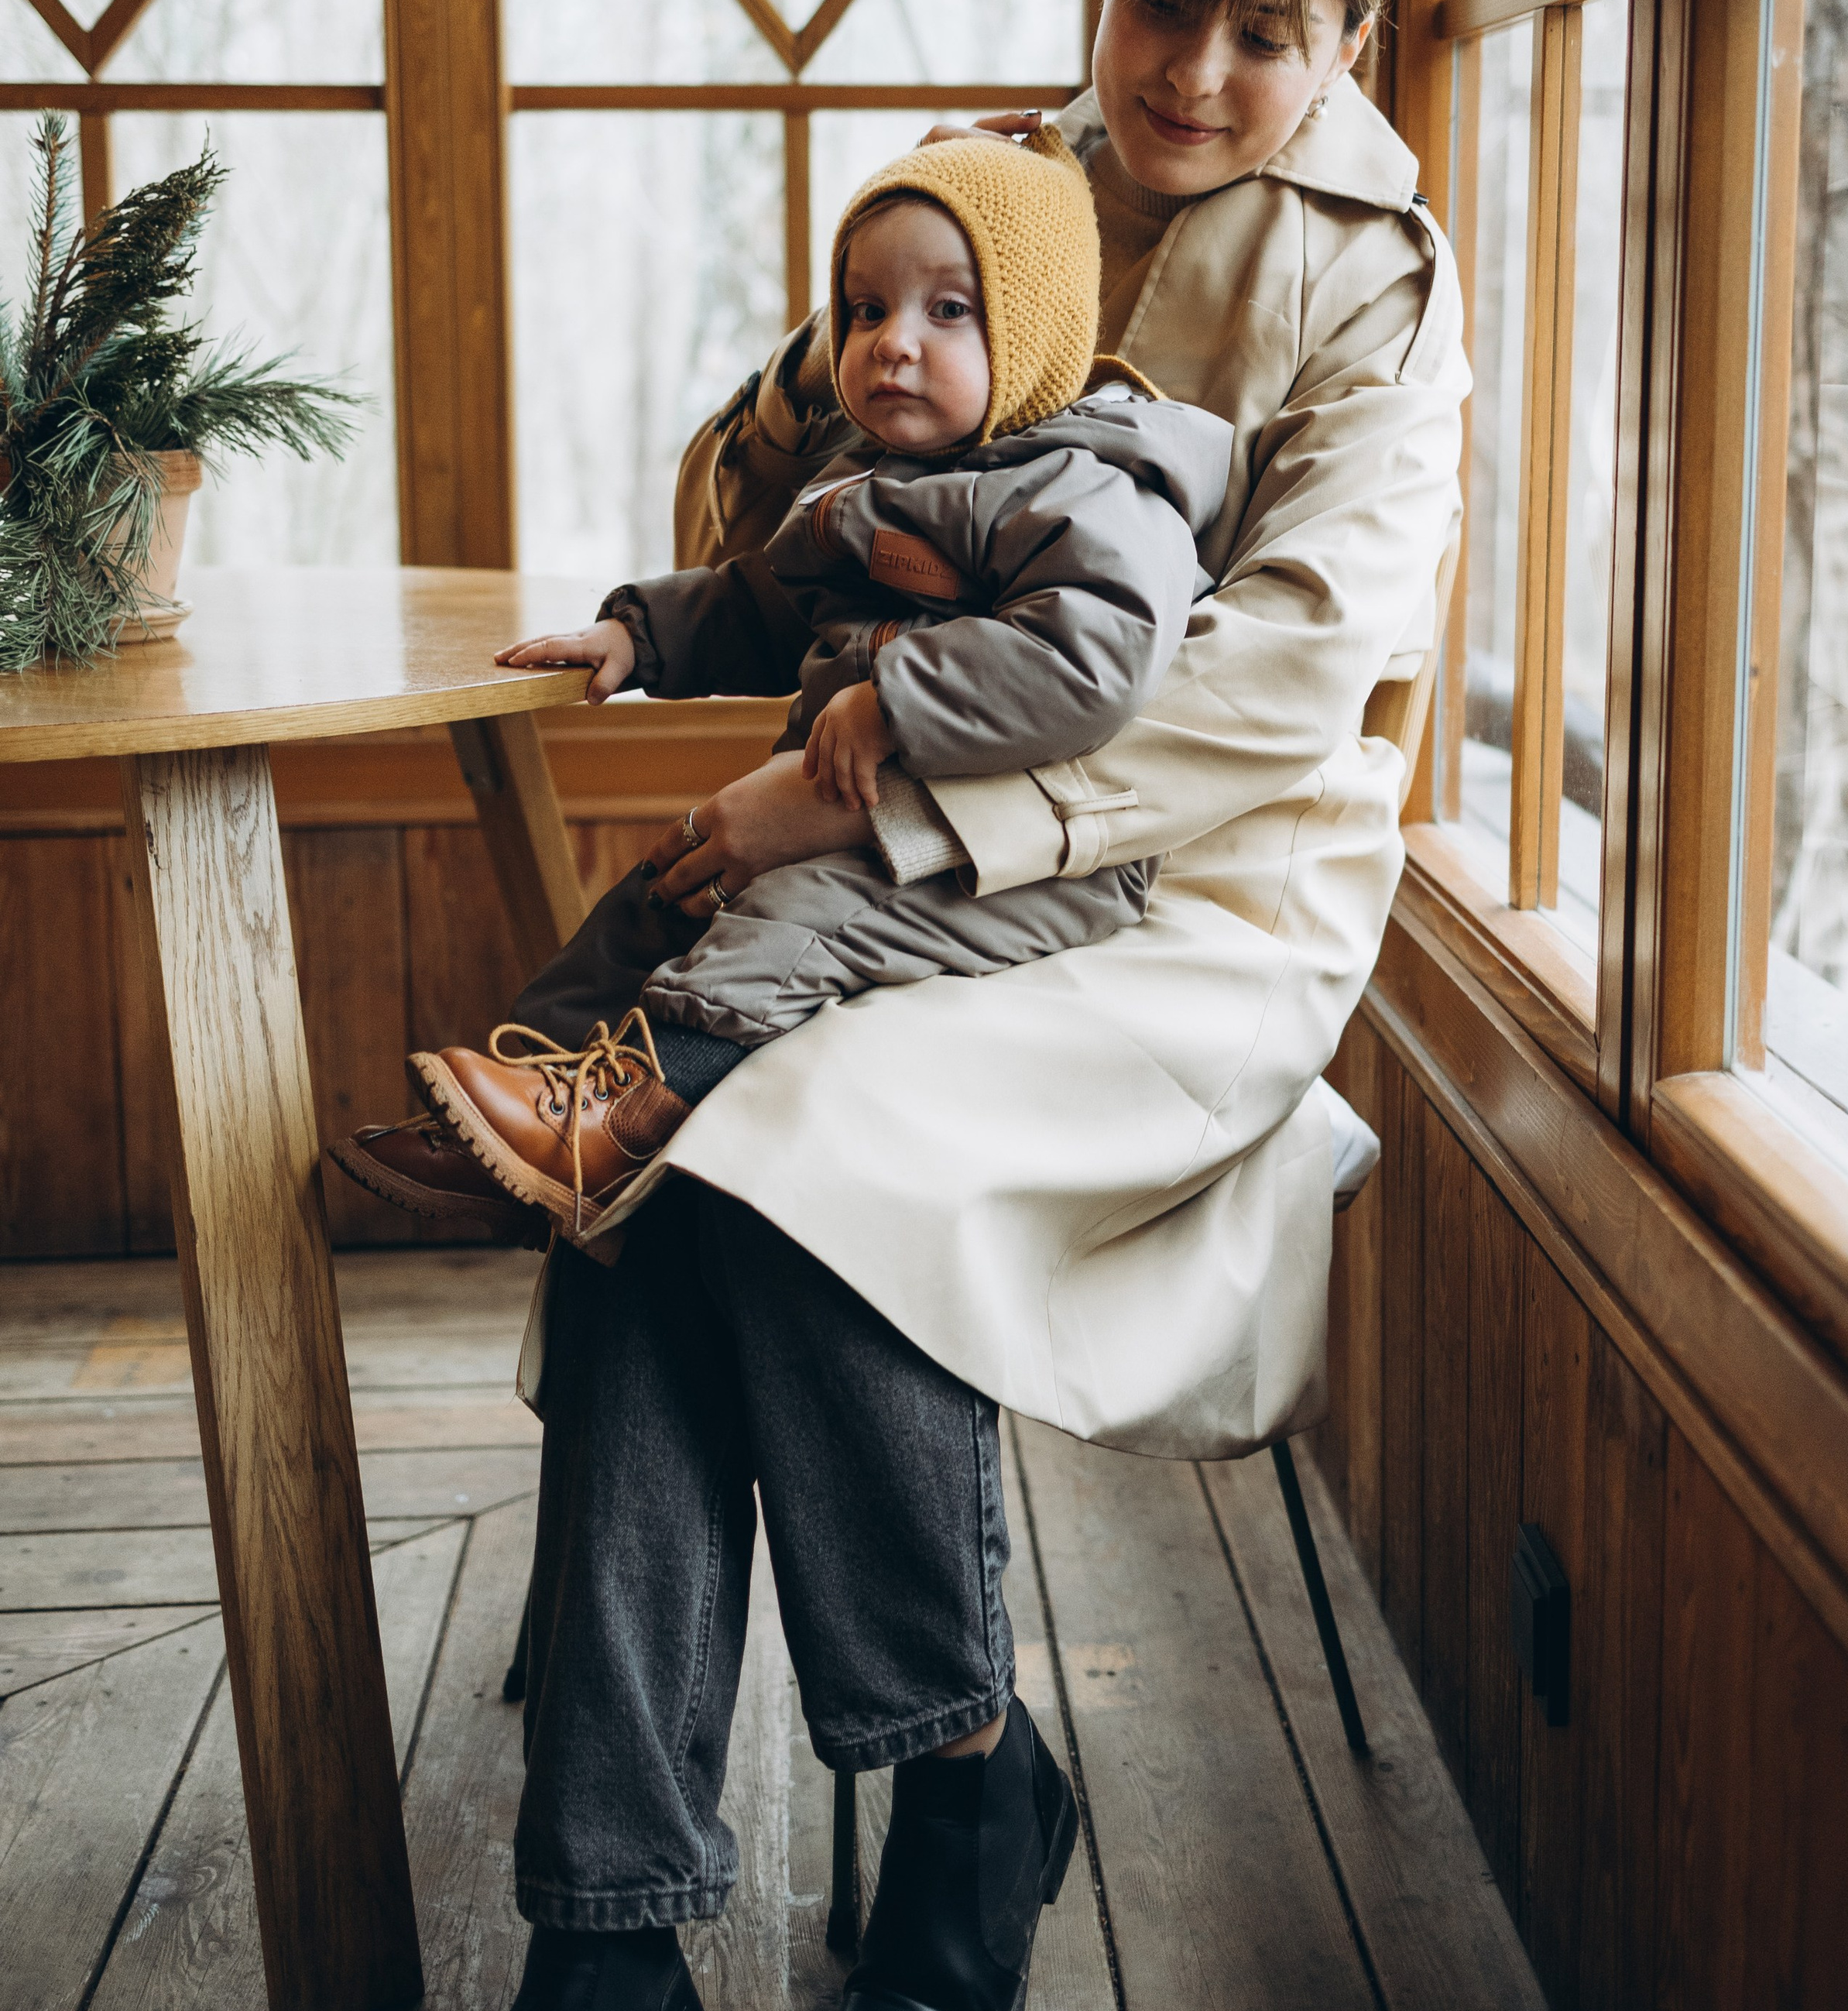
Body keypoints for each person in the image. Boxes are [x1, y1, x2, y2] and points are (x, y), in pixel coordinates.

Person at [340, 0, 1468, 2011]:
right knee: (671, 1168)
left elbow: (1280, 689)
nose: (1191, 73)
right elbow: (757, 516)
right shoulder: (995, 193)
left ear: (1348, 43)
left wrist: (859, 780)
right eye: (1162, 0)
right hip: (866, 854)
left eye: (1265, 36)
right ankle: (617, 1975)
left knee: (744, 1151)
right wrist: (834, 380)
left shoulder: (1378, 287)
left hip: (1197, 908)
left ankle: (934, 1801)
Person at [343, 124, 1233, 1241]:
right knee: (655, 896)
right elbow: (764, 603)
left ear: (1036, 332)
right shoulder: (863, 479)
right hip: (857, 820)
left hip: (1015, 857)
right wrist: (638, 637)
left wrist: (896, 697)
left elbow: (1091, 658)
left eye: (947, 311)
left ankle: (617, 1122)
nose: (892, 343)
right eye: (865, 310)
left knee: (794, 920)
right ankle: (531, 1103)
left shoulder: (1085, 489)